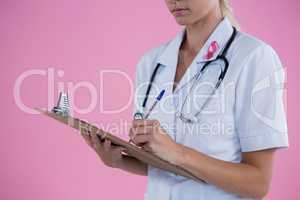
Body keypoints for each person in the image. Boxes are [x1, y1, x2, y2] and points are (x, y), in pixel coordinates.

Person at [81, 0, 289, 199]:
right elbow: (167, 167)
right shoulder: (152, 63)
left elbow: (258, 183)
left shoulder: (253, 58)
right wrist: (119, 161)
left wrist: (177, 152)